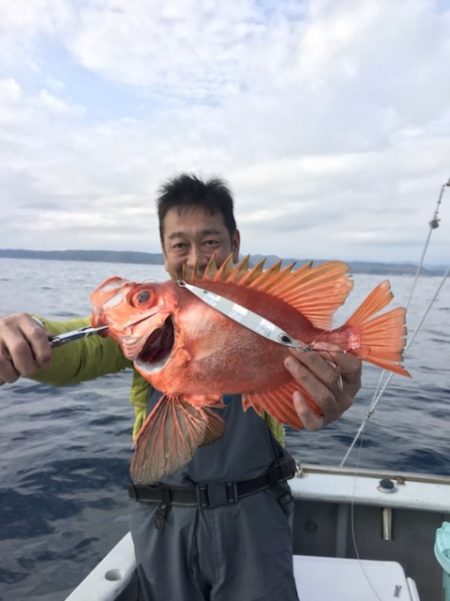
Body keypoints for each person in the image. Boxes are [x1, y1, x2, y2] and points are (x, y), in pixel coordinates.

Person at [0, 174, 361, 600]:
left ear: (235, 243)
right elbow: (81, 345)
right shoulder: (150, 322)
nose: (195, 260)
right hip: (163, 521)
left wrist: (328, 399)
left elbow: (304, 400)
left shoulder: (264, 311)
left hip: (254, 515)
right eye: (179, 245)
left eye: (210, 242)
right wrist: (28, 335)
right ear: (164, 251)